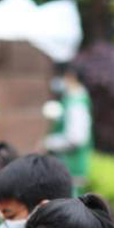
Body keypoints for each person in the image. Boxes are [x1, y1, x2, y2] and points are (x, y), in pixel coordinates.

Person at [43, 62, 93, 192]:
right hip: (67, 169)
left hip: (71, 167)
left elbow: (76, 138)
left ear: (70, 76)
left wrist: (49, 143)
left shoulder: (76, 103)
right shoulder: (71, 99)